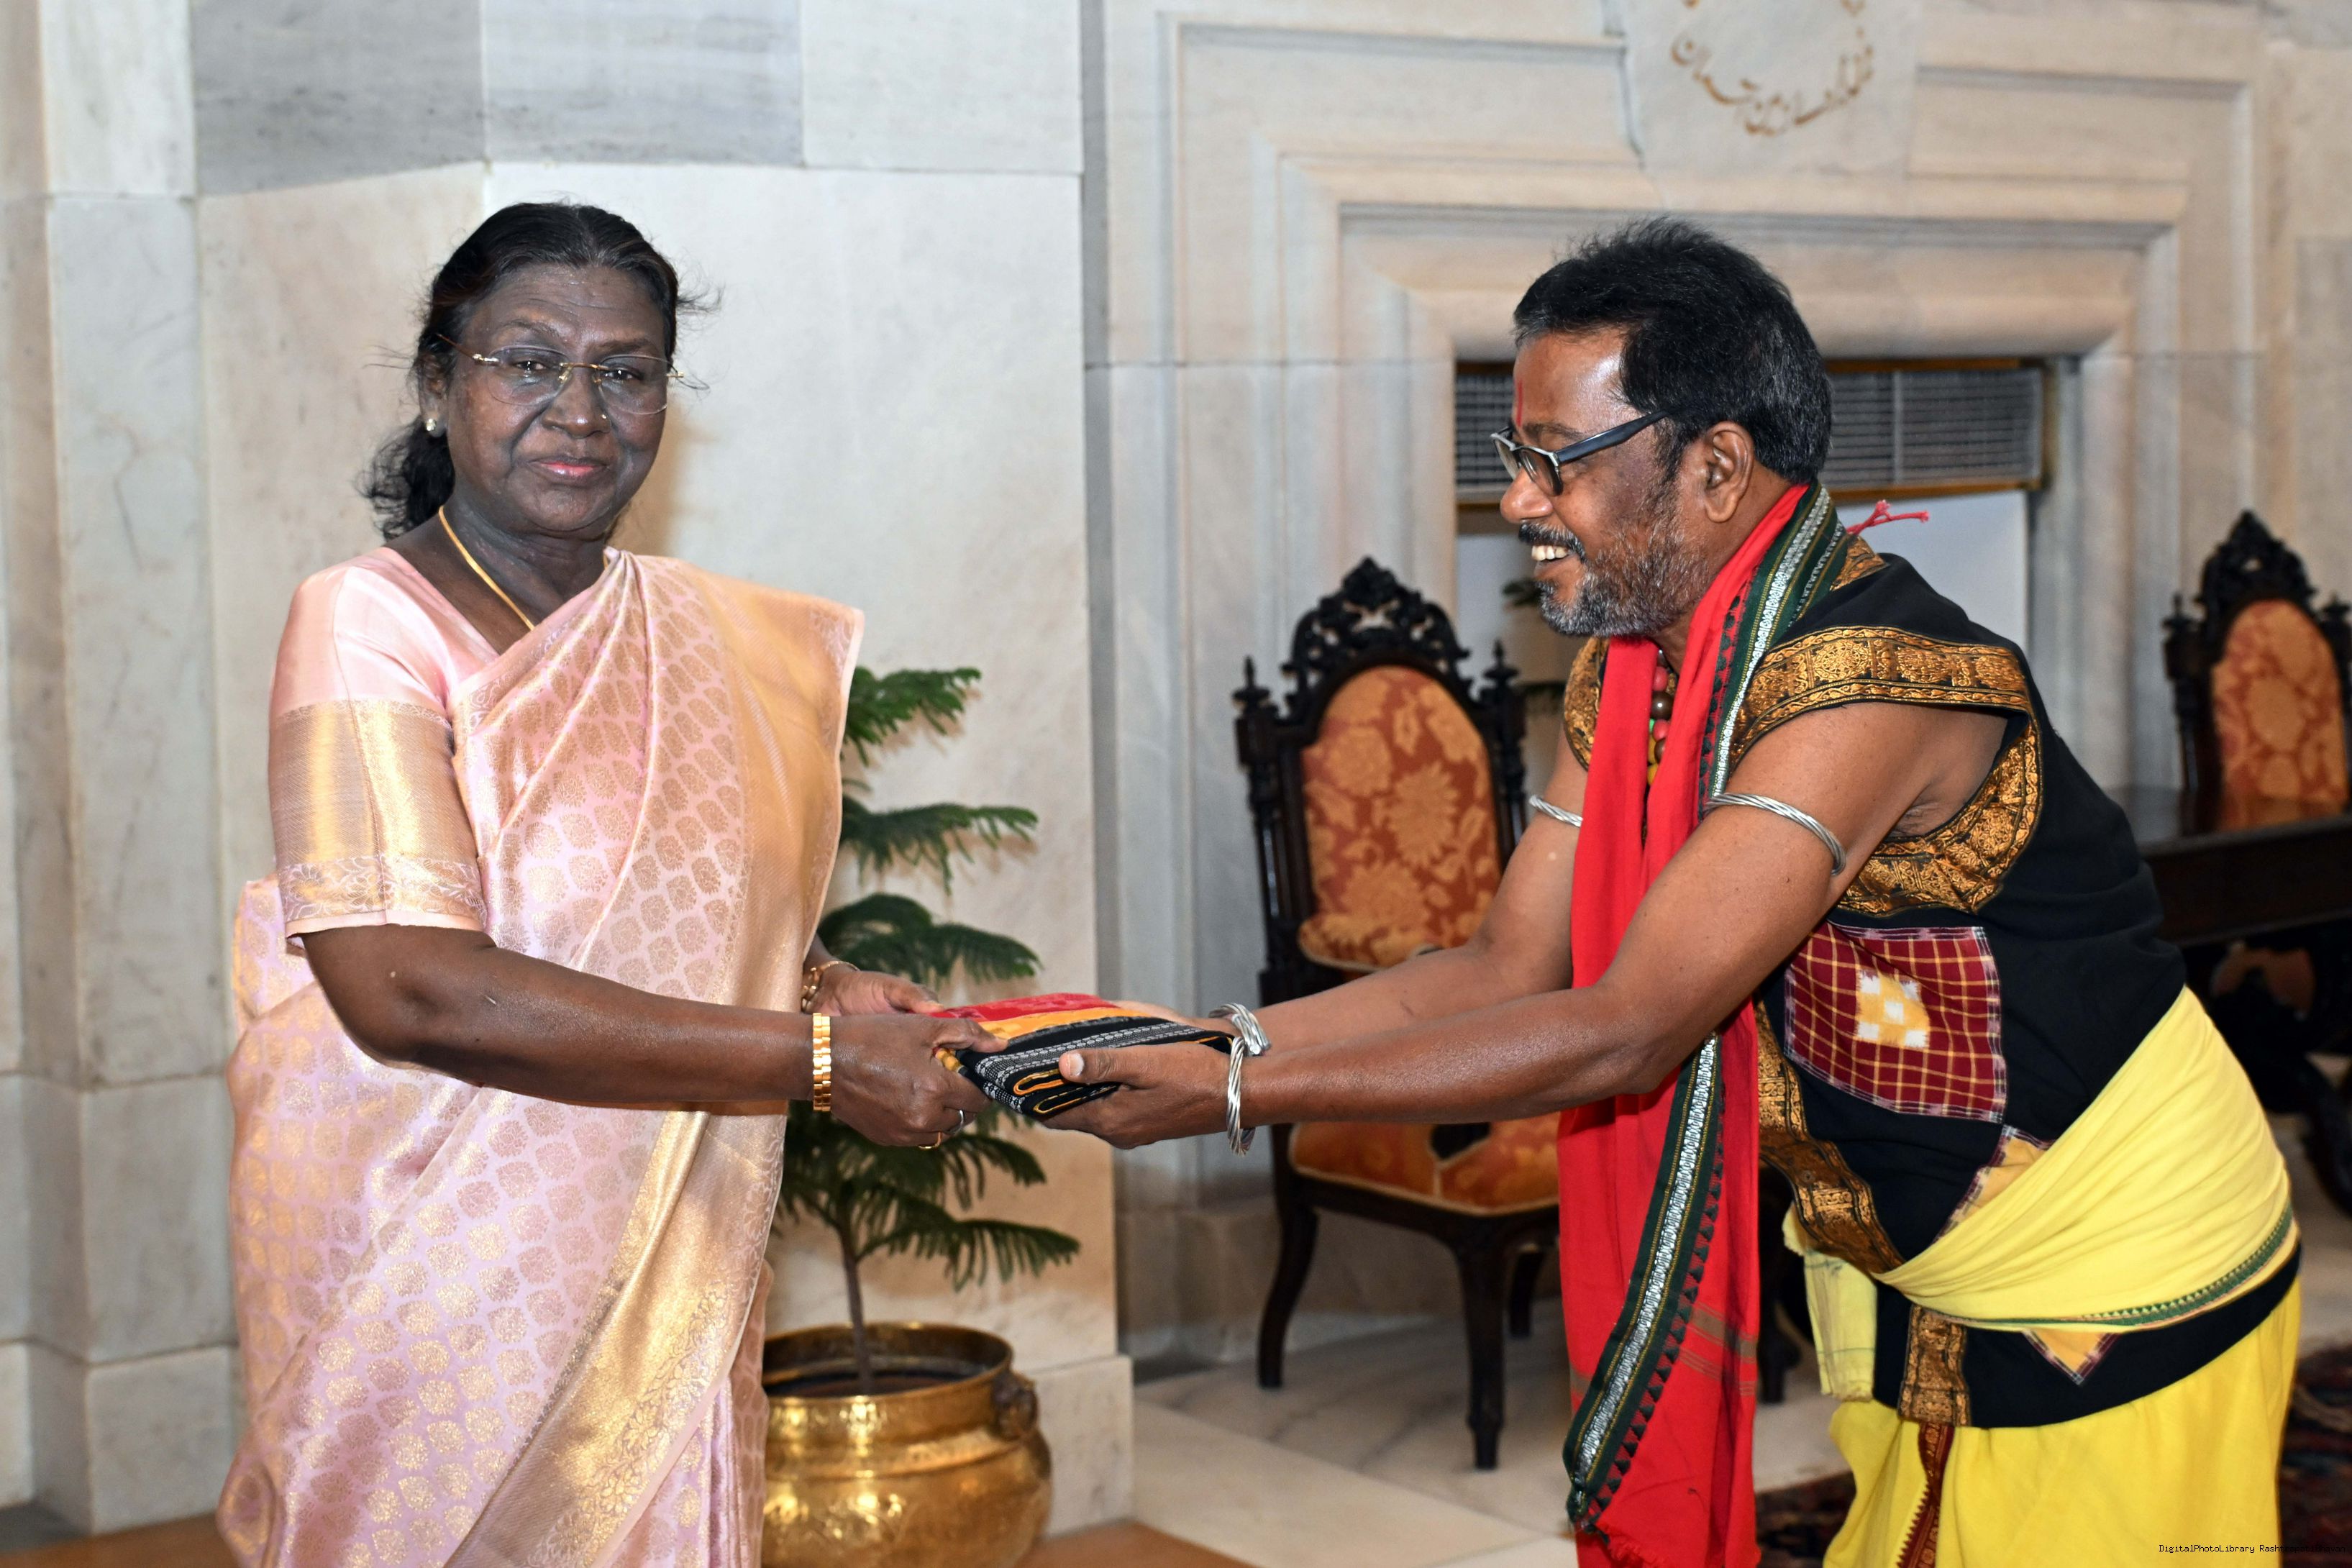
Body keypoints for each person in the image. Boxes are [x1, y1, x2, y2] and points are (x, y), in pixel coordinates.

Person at [1056, 220, 2299, 1567]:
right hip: (1924, 1260)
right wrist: (1204, 1043)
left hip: (2110, 1251)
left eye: (1556, 460)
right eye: (1512, 456)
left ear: (1713, 465)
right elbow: (1503, 967)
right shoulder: (1634, 669)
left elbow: (1628, 1028)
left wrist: (1233, 1095)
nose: (1519, 502)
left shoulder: (1868, 682)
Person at [217, 203, 998, 1568]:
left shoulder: (698, 636)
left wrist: (819, 985)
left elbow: (672, 915)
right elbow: (406, 987)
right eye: (528, 362)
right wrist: (818, 1063)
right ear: (440, 380)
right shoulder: (367, 620)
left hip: (653, 1238)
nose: (579, 411)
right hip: (423, 1259)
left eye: (625, 372)